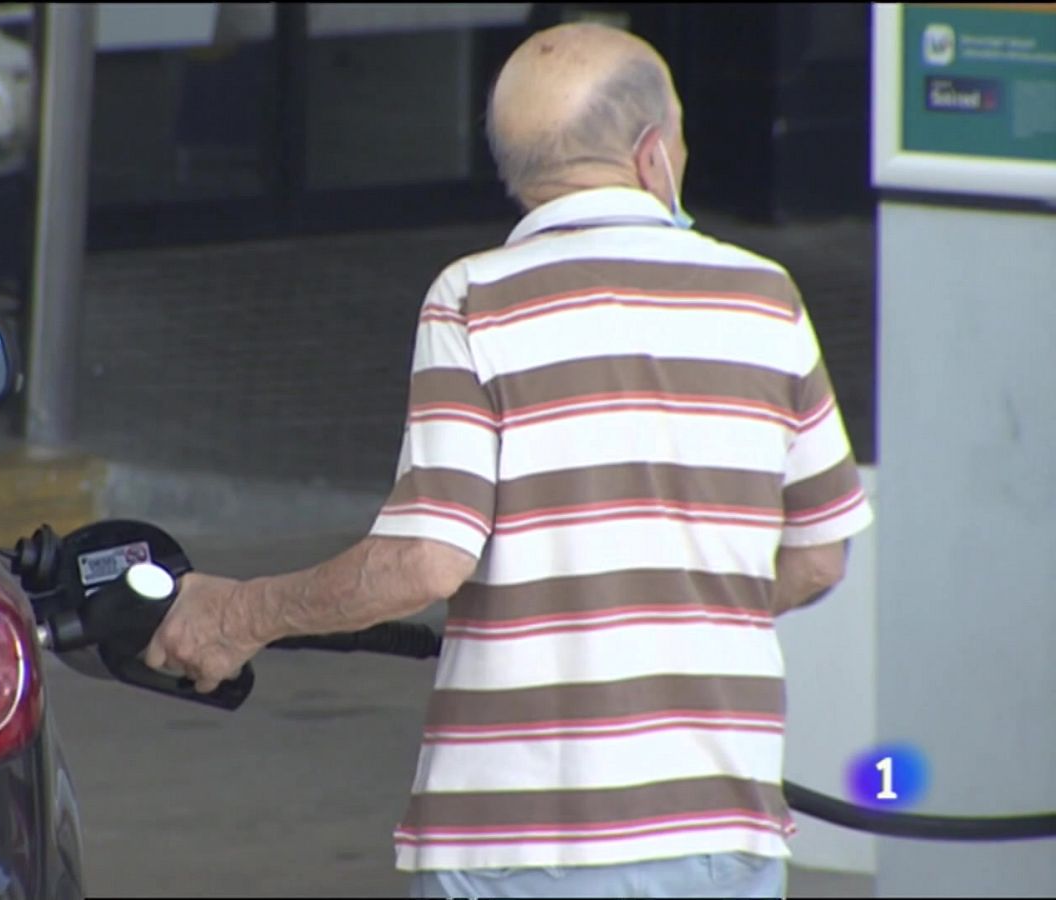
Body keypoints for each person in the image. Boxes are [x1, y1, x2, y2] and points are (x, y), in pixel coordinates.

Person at [144, 21, 873, 900]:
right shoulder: (768, 299)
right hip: (720, 833)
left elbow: (426, 560)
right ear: (654, 155)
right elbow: (820, 554)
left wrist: (240, 613)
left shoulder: (474, 299)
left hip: (516, 846)